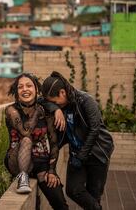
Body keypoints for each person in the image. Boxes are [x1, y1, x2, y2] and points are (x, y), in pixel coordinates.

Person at [41, 71, 114, 210]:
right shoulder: (61, 105)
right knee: (73, 190)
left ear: (62, 93)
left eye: (54, 102)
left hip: (97, 154)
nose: (53, 104)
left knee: (94, 195)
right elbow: (41, 101)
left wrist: (81, 157)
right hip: (76, 154)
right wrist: (56, 109)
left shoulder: (86, 101)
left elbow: (94, 130)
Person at [4, 72, 68, 210]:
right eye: (20, 87)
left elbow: (53, 143)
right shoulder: (12, 111)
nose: (25, 89)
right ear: (16, 91)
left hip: (39, 162)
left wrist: (52, 170)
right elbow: (26, 133)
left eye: (29, 86)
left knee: (59, 202)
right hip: (16, 160)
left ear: (36, 89)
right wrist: (37, 114)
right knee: (26, 140)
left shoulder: (46, 111)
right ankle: (23, 179)